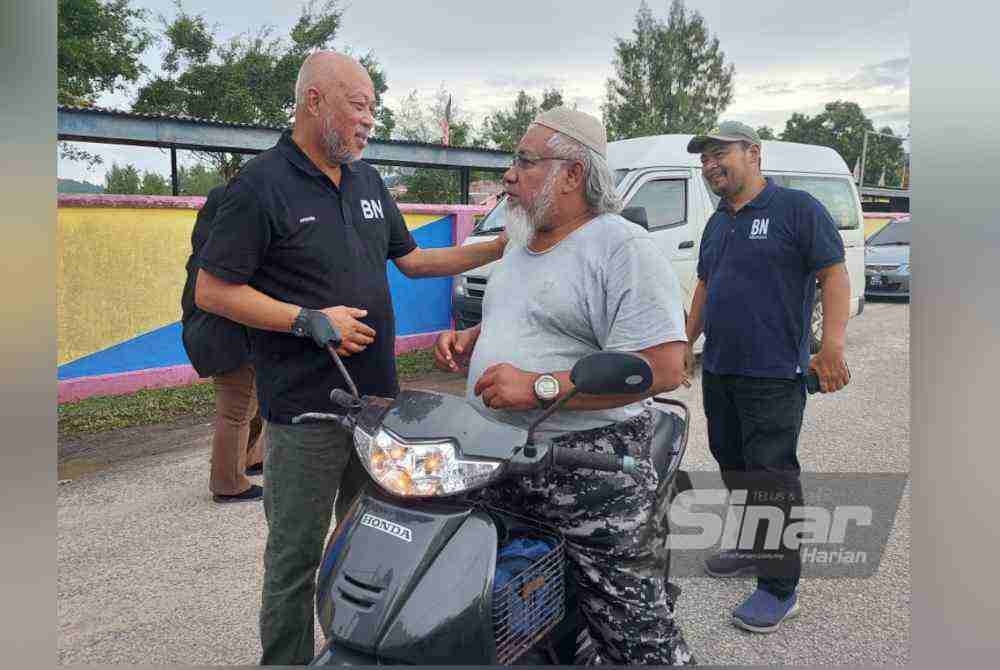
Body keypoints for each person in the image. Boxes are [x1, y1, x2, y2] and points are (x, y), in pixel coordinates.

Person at [193, 51, 508, 665]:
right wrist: (307, 320)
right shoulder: (258, 186)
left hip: (379, 409)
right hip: (306, 417)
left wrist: (502, 247)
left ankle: (360, 652)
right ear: (315, 102)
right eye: (360, 106)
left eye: (373, 109)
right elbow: (214, 289)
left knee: (376, 544)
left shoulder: (366, 181)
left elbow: (414, 260)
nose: (370, 120)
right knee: (295, 561)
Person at [434, 108, 694, 665]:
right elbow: (540, 317)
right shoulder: (519, 246)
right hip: (498, 460)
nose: (509, 174)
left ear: (573, 174)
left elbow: (666, 366)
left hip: (591, 471)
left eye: (525, 162)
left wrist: (540, 386)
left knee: (636, 639)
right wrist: (475, 342)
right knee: (482, 617)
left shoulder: (621, 247)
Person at [683, 121, 852, 633]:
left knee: (770, 476)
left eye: (719, 154)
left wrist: (832, 346)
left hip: (774, 373)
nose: (711, 165)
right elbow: (706, 287)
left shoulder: (797, 209)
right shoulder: (717, 224)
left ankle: (780, 588)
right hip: (721, 369)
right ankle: (753, 544)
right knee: (733, 464)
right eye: (704, 158)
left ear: (753, 153)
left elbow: (834, 275)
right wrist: (681, 345)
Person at [180, 184, 265, 504]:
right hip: (226, 339)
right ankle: (229, 483)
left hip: (218, 336)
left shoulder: (204, 255)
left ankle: (250, 459)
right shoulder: (226, 261)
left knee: (252, 404)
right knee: (236, 411)